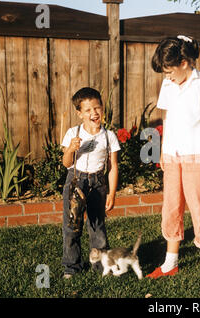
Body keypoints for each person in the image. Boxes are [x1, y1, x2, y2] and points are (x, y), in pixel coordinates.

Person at [146, 35, 200, 286]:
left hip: (198, 155)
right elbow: (167, 118)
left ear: (184, 62)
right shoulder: (169, 85)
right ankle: (170, 263)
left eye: (169, 71)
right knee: (171, 207)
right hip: (172, 155)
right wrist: (162, 149)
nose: (166, 76)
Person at [61, 87, 120, 279]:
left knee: (97, 226)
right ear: (79, 114)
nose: (94, 113)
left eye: (97, 108)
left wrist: (111, 193)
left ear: (102, 108)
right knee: (72, 226)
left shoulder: (109, 136)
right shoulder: (73, 133)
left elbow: (112, 167)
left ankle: (101, 266)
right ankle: (71, 267)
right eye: (88, 110)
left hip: (98, 183)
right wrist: (71, 149)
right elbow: (66, 163)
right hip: (76, 181)